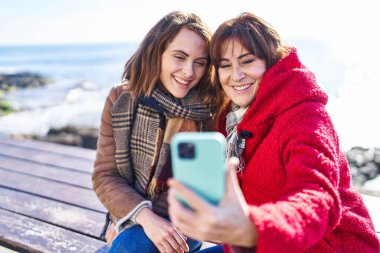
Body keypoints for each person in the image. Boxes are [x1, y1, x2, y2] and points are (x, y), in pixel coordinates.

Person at [168, 12, 380, 253]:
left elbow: (317, 197)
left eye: (247, 61)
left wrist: (249, 228)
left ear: (271, 62)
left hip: (327, 246)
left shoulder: (304, 114)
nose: (235, 75)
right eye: (225, 65)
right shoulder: (229, 121)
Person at [92, 11, 220, 253]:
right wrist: (140, 217)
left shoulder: (209, 110)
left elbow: (195, 190)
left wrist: (133, 222)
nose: (189, 72)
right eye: (179, 57)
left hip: (183, 223)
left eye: (200, 62)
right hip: (135, 218)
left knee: (128, 245)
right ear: (156, 53)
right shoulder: (121, 99)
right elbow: (105, 175)